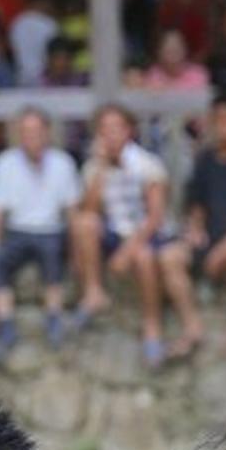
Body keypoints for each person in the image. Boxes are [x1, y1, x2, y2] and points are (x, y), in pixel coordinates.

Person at [158, 91, 226, 357]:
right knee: (169, 256)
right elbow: (197, 203)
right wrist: (195, 229)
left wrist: (225, 244)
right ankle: (192, 327)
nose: (223, 124)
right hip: (209, 239)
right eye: (217, 119)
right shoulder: (205, 159)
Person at [72, 102, 172, 360]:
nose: (110, 134)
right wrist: (101, 169)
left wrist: (128, 251)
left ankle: (153, 326)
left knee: (144, 258)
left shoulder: (147, 164)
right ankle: (94, 292)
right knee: (84, 222)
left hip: (143, 233)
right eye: (104, 129)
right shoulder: (94, 166)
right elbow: (90, 210)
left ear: (129, 131)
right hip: (113, 231)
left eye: (116, 128)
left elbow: (155, 217)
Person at [0, 104, 78, 357]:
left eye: (36, 131)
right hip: (16, 231)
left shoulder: (63, 163)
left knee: (52, 253)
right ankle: (5, 326)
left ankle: (54, 319)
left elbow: (71, 210)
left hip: (51, 230)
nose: (31, 137)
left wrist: (75, 244)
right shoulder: (4, 163)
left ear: (47, 132)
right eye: (25, 131)